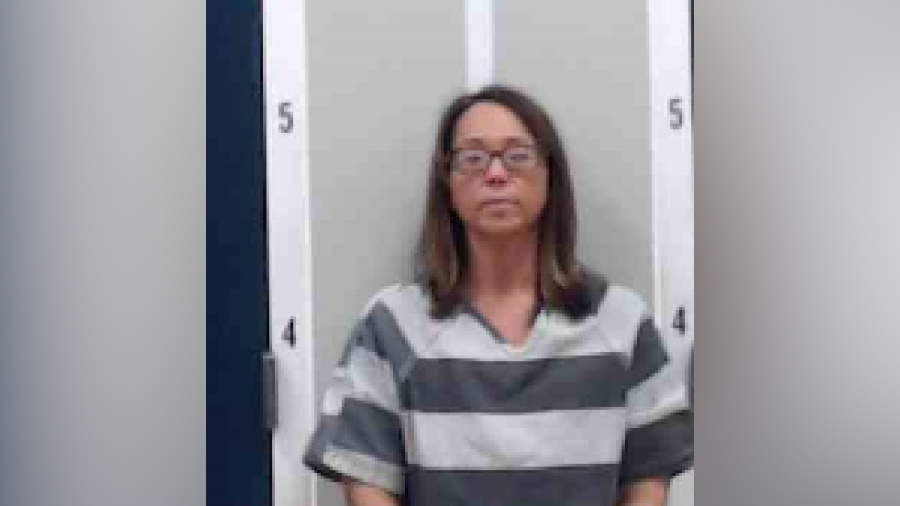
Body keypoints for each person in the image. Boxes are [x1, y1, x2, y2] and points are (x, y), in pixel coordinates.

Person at [303, 84, 693, 506]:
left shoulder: (620, 320)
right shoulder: (394, 323)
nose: (495, 174)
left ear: (550, 175)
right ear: (447, 183)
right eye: (472, 158)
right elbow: (365, 481)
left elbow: (648, 478)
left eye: (518, 155)